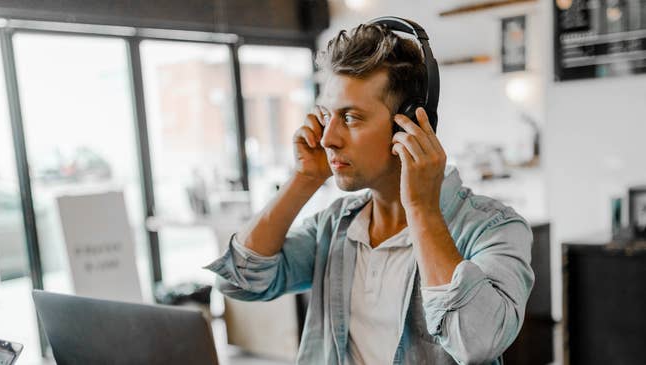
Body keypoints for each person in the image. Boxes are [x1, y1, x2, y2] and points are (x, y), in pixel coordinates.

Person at [205, 20, 533, 365]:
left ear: (409, 124)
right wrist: (304, 178)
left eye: (350, 118)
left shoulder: (494, 228)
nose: (328, 137)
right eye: (327, 115)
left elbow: (477, 342)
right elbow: (241, 281)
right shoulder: (335, 226)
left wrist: (421, 209)